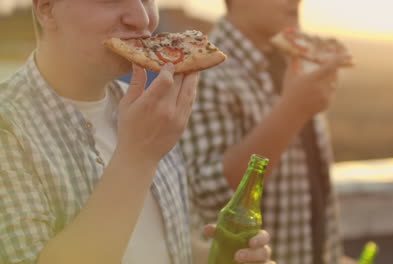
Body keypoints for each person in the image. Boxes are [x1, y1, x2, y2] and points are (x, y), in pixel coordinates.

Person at [0, 1, 274, 264]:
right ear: (47, 9)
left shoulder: (148, 109)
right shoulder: (8, 129)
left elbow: (154, 242)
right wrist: (138, 157)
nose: (142, 19)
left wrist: (216, 256)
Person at [180, 0, 353, 264]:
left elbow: (313, 185)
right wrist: (292, 111)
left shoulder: (295, 62)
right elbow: (209, 195)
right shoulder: (206, 69)